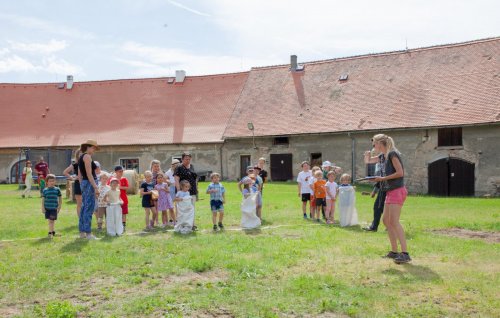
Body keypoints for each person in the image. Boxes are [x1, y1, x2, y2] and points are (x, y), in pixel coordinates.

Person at [365, 134, 411, 264]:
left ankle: (405, 253)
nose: (374, 146)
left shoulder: (392, 154)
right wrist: (367, 155)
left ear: (380, 143)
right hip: (390, 191)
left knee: (394, 222)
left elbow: (400, 173)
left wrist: (382, 179)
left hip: (397, 190)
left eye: (374, 143)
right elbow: (368, 161)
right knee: (386, 221)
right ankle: (394, 251)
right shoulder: (382, 156)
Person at [78, 139, 100, 240]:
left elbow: (80, 175)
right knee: (89, 208)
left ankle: (82, 232)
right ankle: (88, 234)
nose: (94, 150)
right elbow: (89, 174)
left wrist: (82, 185)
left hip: (85, 183)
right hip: (90, 183)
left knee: (84, 208)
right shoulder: (87, 156)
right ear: (89, 147)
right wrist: (95, 187)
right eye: (94, 148)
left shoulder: (81, 156)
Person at [174, 153, 198, 230]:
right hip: (182, 192)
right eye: (186, 159)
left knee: (191, 209)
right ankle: (182, 224)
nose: (188, 160)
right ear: (182, 159)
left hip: (192, 191)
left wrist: (197, 189)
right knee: (182, 210)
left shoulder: (192, 166)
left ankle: (192, 224)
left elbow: (194, 179)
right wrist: (179, 191)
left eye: (189, 159)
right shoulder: (179, 167)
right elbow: (176, 179)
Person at [41, 174, 62, 239]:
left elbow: (60, 198)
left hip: (54, 208)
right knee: (50, 221)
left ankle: (50, 233)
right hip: (47, 208)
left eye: (53, 181)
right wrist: (43, 208)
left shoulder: (57, 189)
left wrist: (59, 207)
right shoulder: (45, 190)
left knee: (51, 220)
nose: (51, 182)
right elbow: (43, 200)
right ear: (47, 182)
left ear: (55, 181)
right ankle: (52, 232)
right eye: (50, 181)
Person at [63, 150, 83, 217]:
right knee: (79, 203)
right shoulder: (75, 164)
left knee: (86, 203)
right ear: (77, 155)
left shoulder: (89, 163)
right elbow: (65, 172)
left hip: (87, 184)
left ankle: (86, 219)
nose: (82, 155)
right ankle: (80, 220)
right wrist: (73, 178)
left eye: (83, 153)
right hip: (78, 184)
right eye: (80, 154)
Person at [112, 166, 129, 231]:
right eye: (120, 171)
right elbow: (109, 187)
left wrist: (120, 187)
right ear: (116, 172)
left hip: (124, 199)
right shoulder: (112, 179)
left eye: (122, 171)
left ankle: (123, 225)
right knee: (116, 213)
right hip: (115, 199)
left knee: (124, 213)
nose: (121, 172)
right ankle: (116, 225)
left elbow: (127, 187)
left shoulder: (124, 179)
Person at [166, 159, 180, 224]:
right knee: (171, 204)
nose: (175, 166)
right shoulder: (169, 171)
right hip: (171, 188)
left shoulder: (180, 170)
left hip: (179, 187)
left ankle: (177, 218)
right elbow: (164, 178)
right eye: (174, 165)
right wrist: (171, 182)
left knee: (178, 204)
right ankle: (171, 219)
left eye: (177, 164)